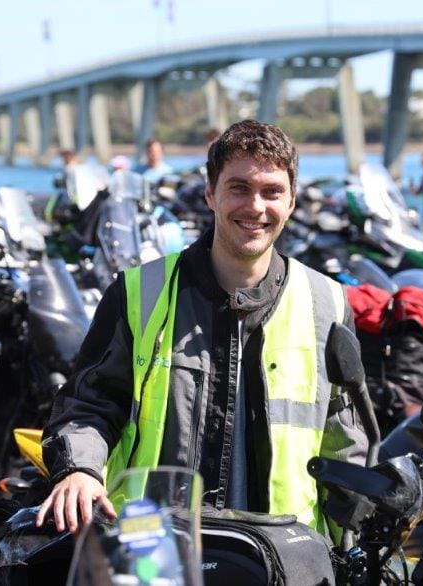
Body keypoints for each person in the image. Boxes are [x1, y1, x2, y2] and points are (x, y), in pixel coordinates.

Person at [37, 119, 366, 535]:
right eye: (239, 188)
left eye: (272, 192)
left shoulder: (327, 303)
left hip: (285, 556)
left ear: (292, 202)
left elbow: (346, 441)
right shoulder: (139, 293)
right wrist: (80, 470)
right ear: (210, 195)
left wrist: (351, 543)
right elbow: (89, 404)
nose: (256, 207)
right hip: (156, 552)